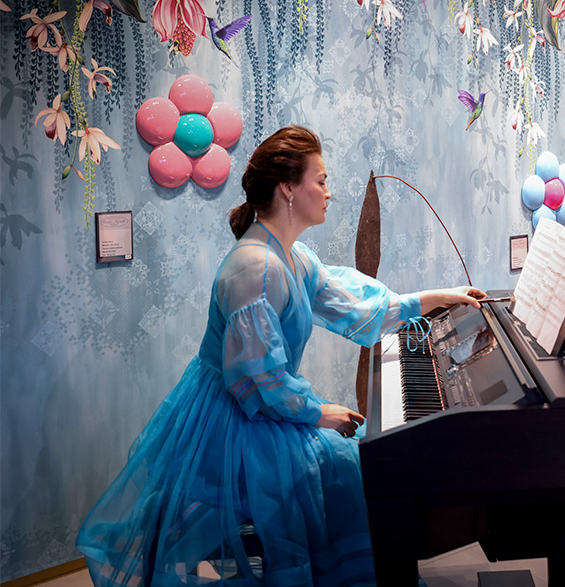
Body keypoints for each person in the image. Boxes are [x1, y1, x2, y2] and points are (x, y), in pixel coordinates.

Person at [77, 125, 484, 586]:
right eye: (321, 181)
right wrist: (320, 414)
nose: (329, 192)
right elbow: (259, 381)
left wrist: (437, 297)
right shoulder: (256, 269)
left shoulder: (292, 256)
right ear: (288, 188)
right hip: (235, 419)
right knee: (349, 469)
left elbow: (354, 305)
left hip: (261, 406)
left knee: (352, 465)